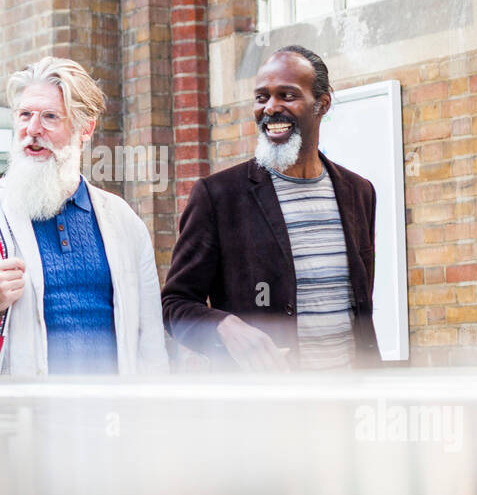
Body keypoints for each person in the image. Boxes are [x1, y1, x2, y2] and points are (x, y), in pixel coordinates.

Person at [0, 57, 168, 376]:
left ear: (85, 128)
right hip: (20, 420)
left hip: (107, 420)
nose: (33, 130)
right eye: (25, 115)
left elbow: (151, 346)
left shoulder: (123, 221)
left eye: (50, 117)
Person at [161, 45, 380, 371]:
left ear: (322, 103)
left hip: (348, 402)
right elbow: (175, 306)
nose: (271, 108)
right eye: (261, 97)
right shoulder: (218, 196)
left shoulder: (358, 193)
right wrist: (224, 327)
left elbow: (360, 306)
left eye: (287, 95)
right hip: (267, 409)